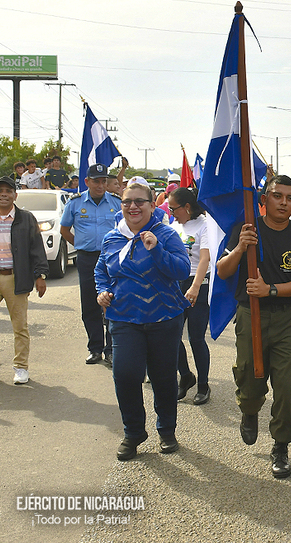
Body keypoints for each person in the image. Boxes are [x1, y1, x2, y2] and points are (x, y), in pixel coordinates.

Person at [216, 175, 291, 479]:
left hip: (285, 316)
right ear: (264, 199)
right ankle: (249, 409)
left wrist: (269, 289)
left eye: (289, 197)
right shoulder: (246, 229)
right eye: (277, 196)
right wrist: (239, 248)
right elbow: (222, 271)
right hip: (250, 315)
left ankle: (281, 445)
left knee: (286, 384)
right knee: (249, 376)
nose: (284, 202)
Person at [95, 182, 190, 460]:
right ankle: (133, 432)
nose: (133, 206)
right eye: (127, 202)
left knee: (162, 378)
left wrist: (157, 249)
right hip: (124, 318)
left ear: (152, 205)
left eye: (139, 201)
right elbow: (102, 269)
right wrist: (102, 290)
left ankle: (166, 430)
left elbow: (182, 270)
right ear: (121, 205)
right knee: (125, 375)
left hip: (164, 317)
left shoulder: (166, 234)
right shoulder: (112, 238)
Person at [60, 163, 123, 366]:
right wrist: (80, 245)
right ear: (87, 182)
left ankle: (111, 349)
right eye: (96, 181)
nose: (100, 185)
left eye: (104, 181)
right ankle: (95, 348)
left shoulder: (115, 202)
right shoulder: (75, 203)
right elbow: (64, 230)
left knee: (112, 301)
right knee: (90, 304)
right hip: (86, 258)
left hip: (110, 258)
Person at [0, 176, 48, 385]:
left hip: (16, 278)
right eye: (0, 191)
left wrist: (40, 276)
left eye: (8, 191)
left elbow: (36, 249)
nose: (4, 194)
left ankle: (21, 367)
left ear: (15, 195)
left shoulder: (26, 218)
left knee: (19, 326)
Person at [168, 187, 212, 405]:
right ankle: (186, 376)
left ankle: (203, 385)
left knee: (196, 338)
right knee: (172, 336)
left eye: (173, 208)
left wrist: (194, 287)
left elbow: (205, 259)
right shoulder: (173, 226)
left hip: (199, 283)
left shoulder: (204, 225)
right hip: (176, 284)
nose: (171, 212)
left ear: (187, 207)